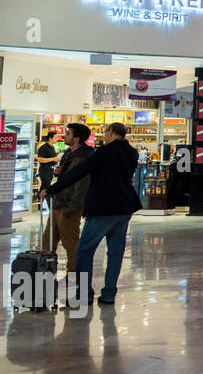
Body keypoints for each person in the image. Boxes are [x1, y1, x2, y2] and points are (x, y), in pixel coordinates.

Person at [39, 122, 141, 307]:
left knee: (84, 250)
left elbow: (77, 174)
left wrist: (52, 188)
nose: (104, 136)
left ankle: (85, 293)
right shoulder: (132, 153)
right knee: (116, 253)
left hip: (103, 207)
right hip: (125, 207)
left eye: (105, 132)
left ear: (111, 132)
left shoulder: (102, 153)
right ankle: (109, 294)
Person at [47, 123, 94, 286]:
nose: (64, 135)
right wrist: (58, 172)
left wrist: (72, 208)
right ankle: (46, 270)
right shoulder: (69, 153)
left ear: (76, 138)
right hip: (58, 202)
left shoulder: (83, 157)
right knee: (48, 240)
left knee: (70, 243)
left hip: (68, 205)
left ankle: (73, 275)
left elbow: (81, 185)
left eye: (67, 133)